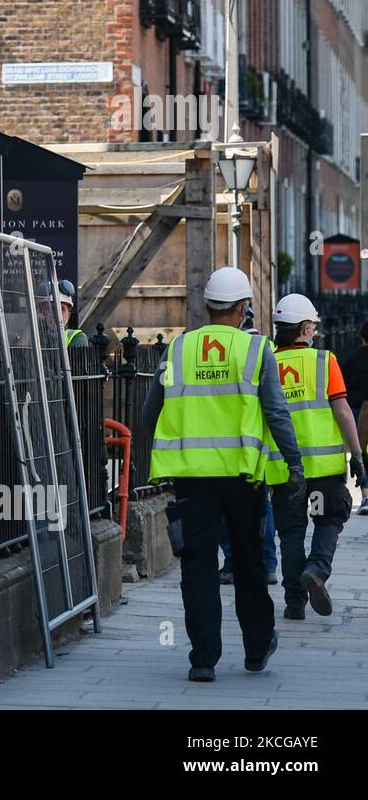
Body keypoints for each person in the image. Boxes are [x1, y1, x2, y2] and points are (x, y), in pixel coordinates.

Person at [143, 266, 302, 683]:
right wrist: (294, 463)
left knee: (197, 565)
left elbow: (149, 413)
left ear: (207, 305)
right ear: (245, 307)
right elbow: (276, 412)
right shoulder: (256, 350)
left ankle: (203, 660)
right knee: (248, 561)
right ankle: (255, 649)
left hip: (191, 478)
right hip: (242, 478)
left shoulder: (176, 350)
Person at [263, 294, 366, 620]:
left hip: (284, 472)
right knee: (327, 519)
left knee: (291, 533)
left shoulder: (266, 364)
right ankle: (318, 569)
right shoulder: (324, 361)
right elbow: (342, 411)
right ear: (306, 328)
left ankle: (295, 601)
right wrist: (357, 454)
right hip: (322, 471)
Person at [220, 302, 279, 586]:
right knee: (262, 507)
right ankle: (266, 563)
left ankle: (232, 563)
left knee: (224, 510)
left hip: (224, 445)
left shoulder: (234, 347)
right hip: (257, 443)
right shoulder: (264, 347)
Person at [337, 321, 368, 515]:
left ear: (361, 336)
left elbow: (342, 387)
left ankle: (366, 495)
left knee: (361, 452)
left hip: (355, 409)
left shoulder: (351, 358)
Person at [58, 279, 88, 347]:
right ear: (40, 312)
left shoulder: (77, 337)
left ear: (68, 314)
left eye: (62, 309)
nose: (57, 314)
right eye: (52, 308)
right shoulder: (31, 335)